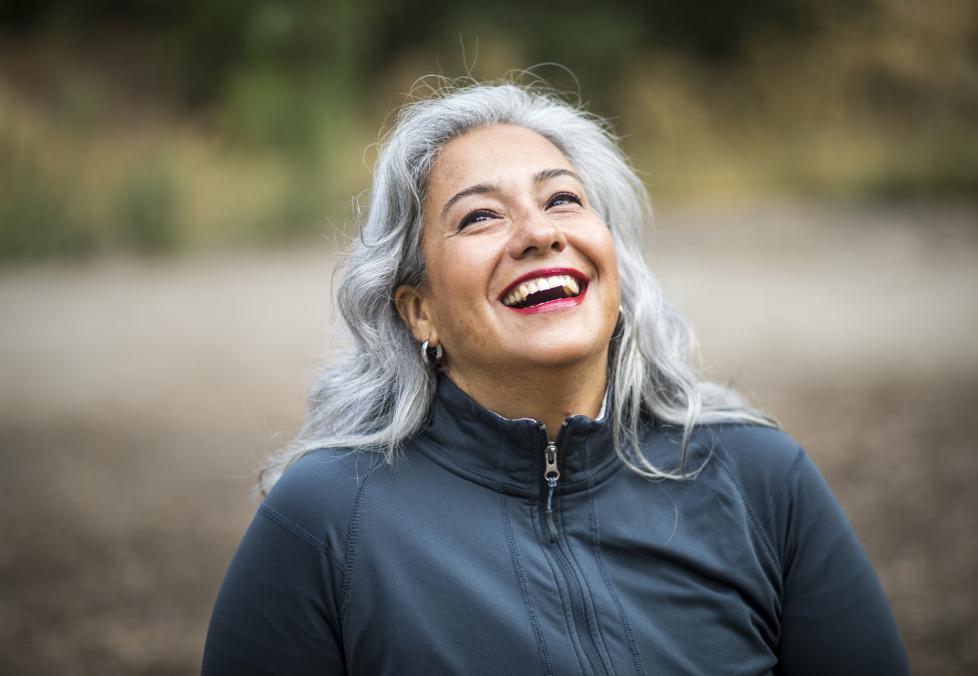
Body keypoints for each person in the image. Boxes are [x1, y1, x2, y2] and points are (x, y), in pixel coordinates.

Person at [202, 80, 910, 675]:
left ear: (613, 263)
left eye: (563, 199)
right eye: (479, 215)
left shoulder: (760, 480)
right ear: (419, 311)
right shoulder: (326, 522)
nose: (540, 233)